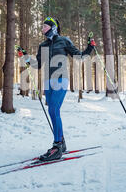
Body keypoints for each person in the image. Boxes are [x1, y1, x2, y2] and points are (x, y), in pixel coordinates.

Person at [17, 17, 96, 161]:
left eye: (44, 27)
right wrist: (26, 56)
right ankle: (62, 142)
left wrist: (90, 47)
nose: (42, 29)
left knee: (54, 109)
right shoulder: (43, 45)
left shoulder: (64, 41)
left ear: (53, 27)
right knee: (52, 110)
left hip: (61, 79)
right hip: (47, 81)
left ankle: (57, 146)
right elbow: (37, 65)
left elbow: (78, 57)